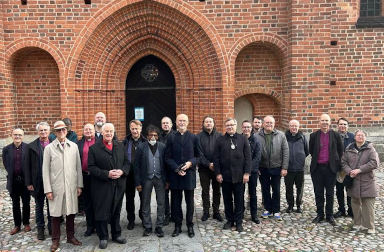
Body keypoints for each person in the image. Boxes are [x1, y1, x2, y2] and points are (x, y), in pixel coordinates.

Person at [42, 121, 83, 251]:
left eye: (63, 130)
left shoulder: (74, 147)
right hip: (56, 186)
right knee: (55, 214)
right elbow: (45, 170)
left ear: (67, 130)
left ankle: (70, 236)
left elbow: (78, 167)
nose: (61, 132)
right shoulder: (49, 148)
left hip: (71, 184)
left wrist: (79, 185)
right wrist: (48, 189)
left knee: (71, 212)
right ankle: (55, 240)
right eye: (58, 130)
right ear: (55, 132)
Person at [88, 123, 129, 249]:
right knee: (102, 212)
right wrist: (107, 174)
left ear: (114, 132)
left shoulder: (120, 145)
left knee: (116, 211)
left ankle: (116, 234)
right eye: (106, 131)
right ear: (102, 132)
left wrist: (122, 171)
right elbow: (91, 167)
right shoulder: (94, 148)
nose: (109, 133)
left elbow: (127, 162)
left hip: (118, 185)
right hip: (102, 186)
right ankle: (103, 237)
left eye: (111, 131)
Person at [165, 114, 203, 238]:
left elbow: (199, 156)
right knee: (176, 202)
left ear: (188, 123)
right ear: (176, 122)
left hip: (189, 174)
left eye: (184, 121)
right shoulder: (170, 137)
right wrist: (177, 168)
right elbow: (167, 157)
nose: (182, 123)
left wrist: (190, 163)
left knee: (189, 202)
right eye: (180, 121)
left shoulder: (194, 138)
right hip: (175, 175)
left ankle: (190, 225)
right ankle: (177, 225)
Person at [214, 118, 251, 232]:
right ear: (225, 126)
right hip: (225, 175)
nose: (230, 127)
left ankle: (238, 221)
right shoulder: (220, 140)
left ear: (236, 126)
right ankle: (230, 220)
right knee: (227, 199)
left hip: (240, 175)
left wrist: (246, 173)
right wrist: (218, 173)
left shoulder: (243, 139)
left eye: (232, 125)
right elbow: (216, 158)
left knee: (239, 200)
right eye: (228, 125)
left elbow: (248, 157)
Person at [341, 130, 379, 234]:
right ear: (355, 137)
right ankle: (357, 224)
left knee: (368, 204)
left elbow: (375, 163)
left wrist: (360, 169)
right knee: (355, 203)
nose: (360, 137)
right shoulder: (349, 149)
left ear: (365, 137)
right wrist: (349, 171)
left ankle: (369, 226)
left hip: (367, 181)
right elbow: (343, 162)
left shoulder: (370, 149)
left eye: (362, 135)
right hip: (354, 181)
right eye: (358, 135)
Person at [309, 114, 343, 226]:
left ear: (330, 122)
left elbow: (340, 151)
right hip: (317, 168)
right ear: (319, 122)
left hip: (331, 168)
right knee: (318, 193)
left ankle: (329, 215)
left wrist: (338, 166)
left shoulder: (336, 135)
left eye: (326, 120)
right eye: (322, 120)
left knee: (330, 193)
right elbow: (311, 150)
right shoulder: (314, 136)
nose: (324, 122)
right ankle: (320, 215)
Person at [134, 125, 167, 237]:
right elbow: (136, 166)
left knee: (161, 203)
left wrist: (167, 180)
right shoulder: (141, 147)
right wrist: (138, 183)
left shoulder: (163, 147)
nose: (153, 137)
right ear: (147, 136)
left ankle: (159, 226)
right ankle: (147, 226)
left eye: (155, 135)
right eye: (150, 135)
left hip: (160, 178)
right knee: (145, 203)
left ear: (158, 137)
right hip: (146, 179)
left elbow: (166, 165)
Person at [255, 115, 289, 221]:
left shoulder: (281, 135)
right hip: (263, 167)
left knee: (276, 189)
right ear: (263, 124)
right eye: (267, 122)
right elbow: (254, 153)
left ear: (274, 124)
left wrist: (284, 167)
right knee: (265, 189)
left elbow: (286, 151)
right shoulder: (257, 136)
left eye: (271, 123)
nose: (269, 124)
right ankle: (267, 209)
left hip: (277, 167)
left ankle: (276, 210)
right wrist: (256, 168)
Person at [25, 122, 52, 240]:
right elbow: (27, 166)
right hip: (37, 181)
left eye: (45, 130)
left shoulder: (54, 144)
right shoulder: (31, 146)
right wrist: (29, 182)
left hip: (52, 181)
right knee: (39, 206)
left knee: (52, 206)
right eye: (41, 130)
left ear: (49, 131)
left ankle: (52, 227)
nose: (43, 132)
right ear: (37, 132)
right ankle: (40, 228)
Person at [2, 128, 31, 235]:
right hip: (13, 181)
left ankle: (26, 223)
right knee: (15, 204)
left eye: (19, 135)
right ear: (12, 135)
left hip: (25, 181)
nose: (17, 136)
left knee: (26, 202)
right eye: (15, 134)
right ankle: (17, 225)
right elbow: (6, 164)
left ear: (23, 136)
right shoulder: (6, 149)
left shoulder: (28, 147)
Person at [197, 116, 223, 222]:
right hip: (204, 168)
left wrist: (215, 164)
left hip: (217, 168)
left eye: (210, 122)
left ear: (214, 123)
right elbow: (199, 153)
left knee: (217, 190)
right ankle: (206, 211)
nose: (208, 123)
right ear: (203, 124)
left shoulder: (220, 136)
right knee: (205, 190)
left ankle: (216, 212)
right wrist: (208, 164)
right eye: (206, 122)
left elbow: (222, 152)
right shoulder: (198, 137)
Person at [123, 119, 146, 230]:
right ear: (130, 129)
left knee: (144, 197)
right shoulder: (126, 141)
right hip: (129, 174)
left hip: (142, 174)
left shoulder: (145, 141)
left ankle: (143, 217)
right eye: (132, 128)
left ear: (141, 128)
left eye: (136, 128)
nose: (134, 131)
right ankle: (131, 219)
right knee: (129, 199)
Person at [284, 119, 309, 214]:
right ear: (289, 126)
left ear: (298, 127)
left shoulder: (302, 137)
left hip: (299, 167)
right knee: (289, 187)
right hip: (288, 167)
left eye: (296, 126)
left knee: (300, 188)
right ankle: (290, 205)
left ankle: (299, 204)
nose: (294, 128)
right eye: (292, 126)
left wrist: (300, 158)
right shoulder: (284, 137)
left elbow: (307, 151)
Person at [77, 123, 97, 236]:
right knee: (87, 202)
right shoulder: (78, 144)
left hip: (97, 177)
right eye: (86, 129)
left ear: (94, 130)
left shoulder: (100, 142)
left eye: (90, 129)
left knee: (97, 202)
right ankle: (90, 226)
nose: (88, 131)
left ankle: (98, 225)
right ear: (83, 131)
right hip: (85, 176)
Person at [241, 120, 261, 224]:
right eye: (244, 127)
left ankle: (254, 215)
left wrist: (248, 171)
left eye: (248, 127)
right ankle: (240, 213)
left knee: (252, 193)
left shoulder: (256, 141)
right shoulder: (238, 140)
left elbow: (257, 157)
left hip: (252, 171)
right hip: (240, 171)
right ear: (241, 128)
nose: (246, 129)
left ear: (251, 128)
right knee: (240, 193)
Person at [334, 117, 355, 218]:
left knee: (350, 189)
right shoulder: (333, 136)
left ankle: (351, 209)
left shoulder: (352, 137)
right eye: (341, 124)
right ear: (337, 125)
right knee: (339, 190)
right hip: (338, 168)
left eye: (345, 124)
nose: (342, 126)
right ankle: (341, 209)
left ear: (348, 126)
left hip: (349, 168)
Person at [158, 116, 176, 225]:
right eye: (163, 123)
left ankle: (174, 214)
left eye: (167, 123)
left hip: (173, 168)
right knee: (164, 194)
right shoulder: (158, 137)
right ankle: (166, 215)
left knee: (175, 193)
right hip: (162, 169)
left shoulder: (176, 136)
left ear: (171, 124)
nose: (165, 125)